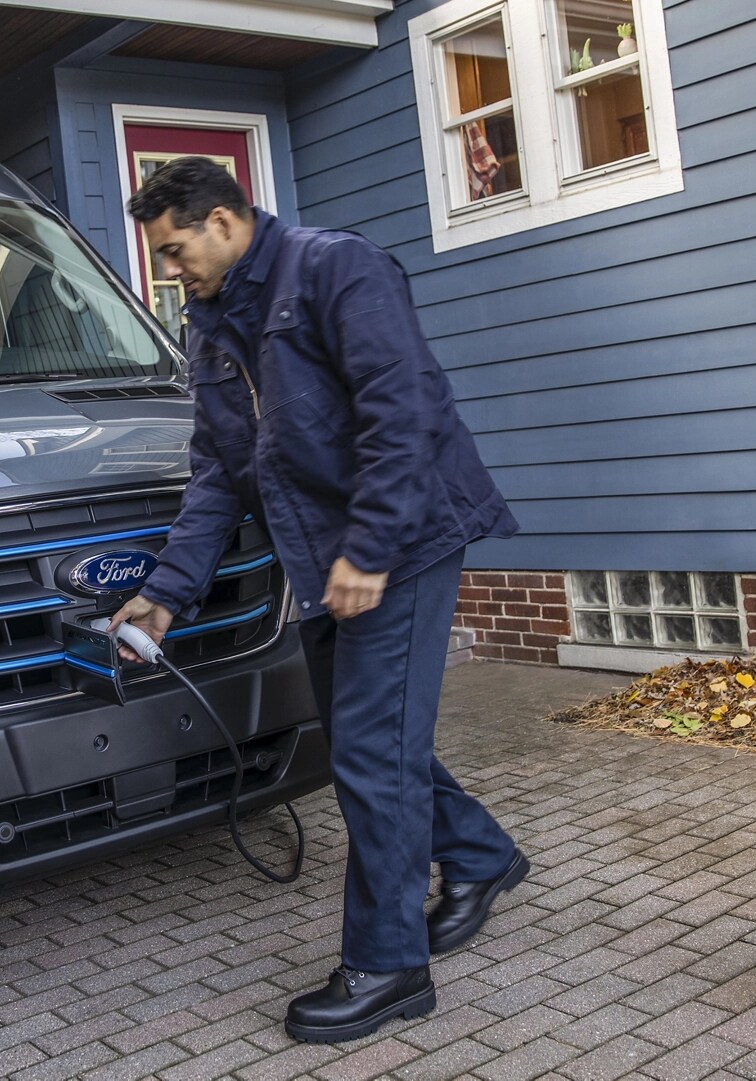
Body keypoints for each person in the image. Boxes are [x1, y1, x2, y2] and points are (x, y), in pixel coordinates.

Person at [109, 157, 530, 1043]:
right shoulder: (212, 325)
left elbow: (402, 410)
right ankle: (482, 855)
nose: (171, 269)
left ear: (223, 221)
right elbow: (218, 474)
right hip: (325, 558)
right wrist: (163, 596)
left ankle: (388, 967)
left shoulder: (337, 268)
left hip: (404, 539)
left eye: (177, 250)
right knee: (363, 744)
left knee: (375, 754)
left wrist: (370, 548)